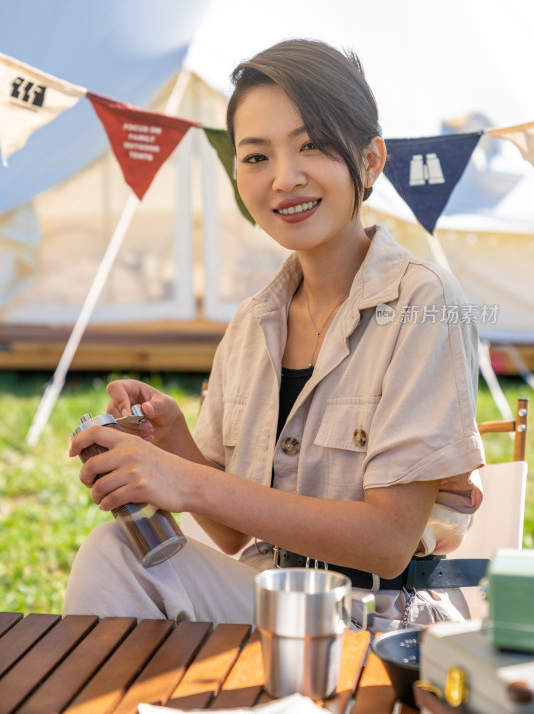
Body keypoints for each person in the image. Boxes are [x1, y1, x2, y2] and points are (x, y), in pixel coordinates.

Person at [63, 39, 485, 631]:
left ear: (369, 162)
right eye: (256, 157)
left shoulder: (423, 301)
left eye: (311, 146)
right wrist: (175, 442)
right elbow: (233, 533)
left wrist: (190, 482)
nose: (284, 179)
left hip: (382, 618)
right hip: (269, 594)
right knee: (115, 554)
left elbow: (390, 541)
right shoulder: (252, 322)